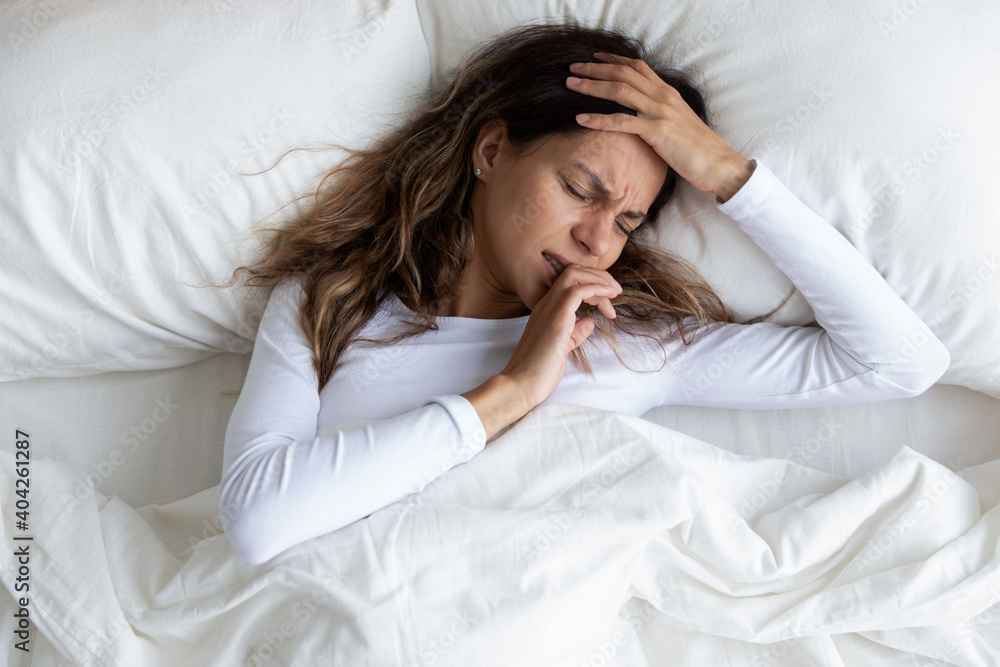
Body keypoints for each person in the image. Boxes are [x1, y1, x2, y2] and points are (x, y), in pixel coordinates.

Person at [217, 23, 949, 565]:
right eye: (579, 189)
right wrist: (513, 388)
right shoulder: (334, 303)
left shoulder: (630, 342)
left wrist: (727, 174)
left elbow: (899, 361)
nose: (599, 241)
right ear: (492, 151)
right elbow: (255, 520)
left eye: (627, 220)